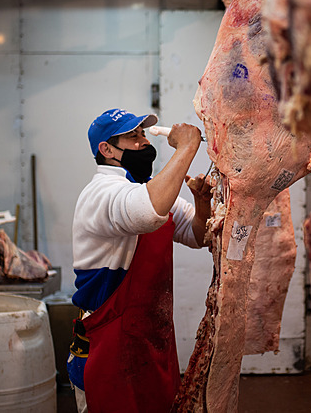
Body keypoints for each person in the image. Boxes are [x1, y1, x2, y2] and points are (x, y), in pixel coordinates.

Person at [66, 108, 212, 413]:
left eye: (143, 134)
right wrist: (186, 147)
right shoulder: (102, 192)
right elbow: (148, 213)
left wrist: (202, 202)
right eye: (133, 136)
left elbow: (198, 236)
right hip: (108, 340)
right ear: (106, 149)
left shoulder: (143, 191)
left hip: (151, 337)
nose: (144, 142)